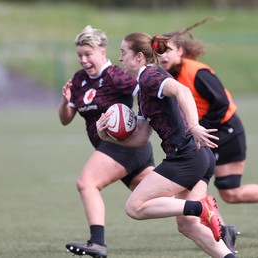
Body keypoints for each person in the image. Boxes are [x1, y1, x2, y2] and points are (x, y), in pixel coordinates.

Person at [96, 31, 236, 258]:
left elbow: (183, 90)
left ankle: (201, 208)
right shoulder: (143, 89)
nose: (120, 58)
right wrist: (106, 136)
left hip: (186, 156)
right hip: (199, 156)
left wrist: (194, 125)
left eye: (123, 53)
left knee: (134, 207)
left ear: (139, 56)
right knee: (188, 225)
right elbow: (141, 138)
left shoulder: (149, 76)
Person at [159, 18, 258, 239]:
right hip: (203, 134)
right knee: (200, 185)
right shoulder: (167, 78)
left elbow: (221, 103)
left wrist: (198, 128)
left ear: (181, 51)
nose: (163, 56)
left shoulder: (197, 72)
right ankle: (221, 231)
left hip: (226, 131)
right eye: (160, 52)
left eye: (168, 50)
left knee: (230, 193)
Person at [59, 25, 155, 257]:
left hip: (121, 145)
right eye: (80, 55)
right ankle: (215, 224)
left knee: (86, 183)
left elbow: (148, 91)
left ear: (102, 52)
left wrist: (141, 122)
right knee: (157, 199)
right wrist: (65, 102)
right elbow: (65, 120)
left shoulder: (116, 75)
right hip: (121, 150)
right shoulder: (80, 80)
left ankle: (97, 242)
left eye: (88, 54)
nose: (83, 60)